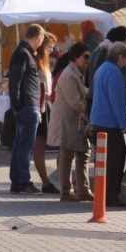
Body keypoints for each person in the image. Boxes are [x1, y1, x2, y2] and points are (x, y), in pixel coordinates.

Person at [48, 42, 94, 202]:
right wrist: (90, 110)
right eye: (86, 57)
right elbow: (75, 102)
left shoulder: (76, 73)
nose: (88, 60)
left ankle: (83, 191)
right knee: (67, 155)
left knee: (83, 154)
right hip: (67, 121)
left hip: (76, 122)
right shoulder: (69, 75)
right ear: (75, 57)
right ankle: (66, 191)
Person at [90, 41, 126, 208]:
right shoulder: (114, 72)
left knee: (103, 162)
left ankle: (103, 195)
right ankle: (110, 196)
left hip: (98, 120)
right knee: (114, 161)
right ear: (120, 57)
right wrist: (123, 123)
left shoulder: (101, 69)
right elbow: (117, 101)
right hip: (110, 123)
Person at [8, 23, 46, 195]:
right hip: (27, 105)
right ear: (38, 38)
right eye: (41, 40)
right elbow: (14, 80)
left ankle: (17, 180)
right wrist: (16, 103)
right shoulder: (23, 53)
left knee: (20, 144)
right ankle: (22, 181)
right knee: (25, 145)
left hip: (27, 104)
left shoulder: (25, 52)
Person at [33, 32, 60, 194]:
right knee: (39, 145)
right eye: (50, 47)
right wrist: (42, 109)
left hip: (46, 104)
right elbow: (41, 89)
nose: (51, 50)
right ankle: (45, 181)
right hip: (42, 106)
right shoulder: (37, 64)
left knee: (42, 145)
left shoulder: (44, 63)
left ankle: (46, 181)